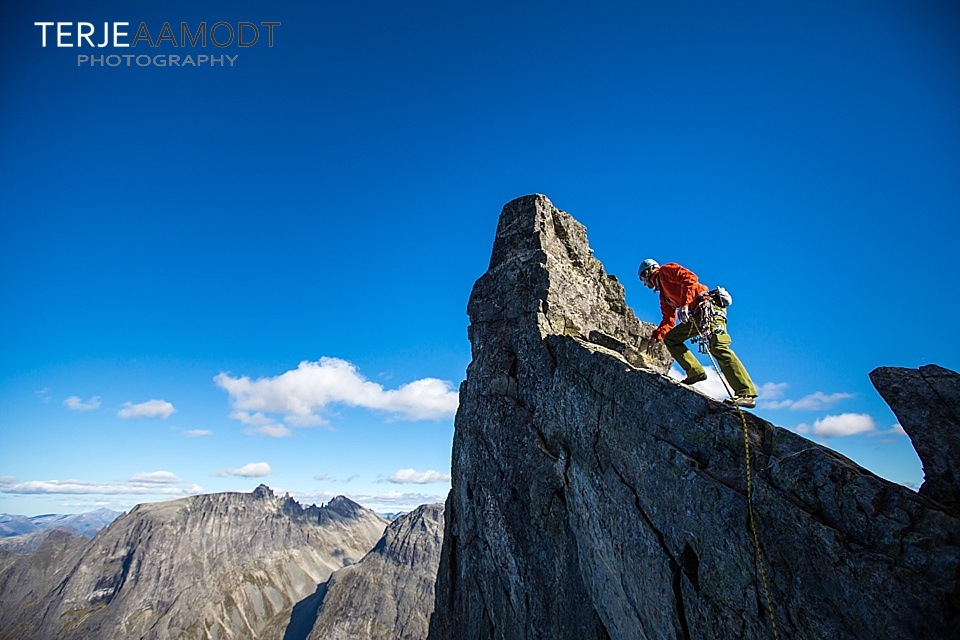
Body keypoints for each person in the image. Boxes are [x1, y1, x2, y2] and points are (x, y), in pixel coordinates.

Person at [639, 258, 758, 408]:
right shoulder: (664, 295)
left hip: (709, 308)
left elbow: (690, 279)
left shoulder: (665, 271)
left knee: (718, 347)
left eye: (643, 278)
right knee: (671, 338)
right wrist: (656, 337)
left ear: (648, 271)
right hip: (696, 315)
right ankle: (695, 372)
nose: (644, 283)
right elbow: (668, 319)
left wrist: (684, 305)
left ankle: (746, 393)